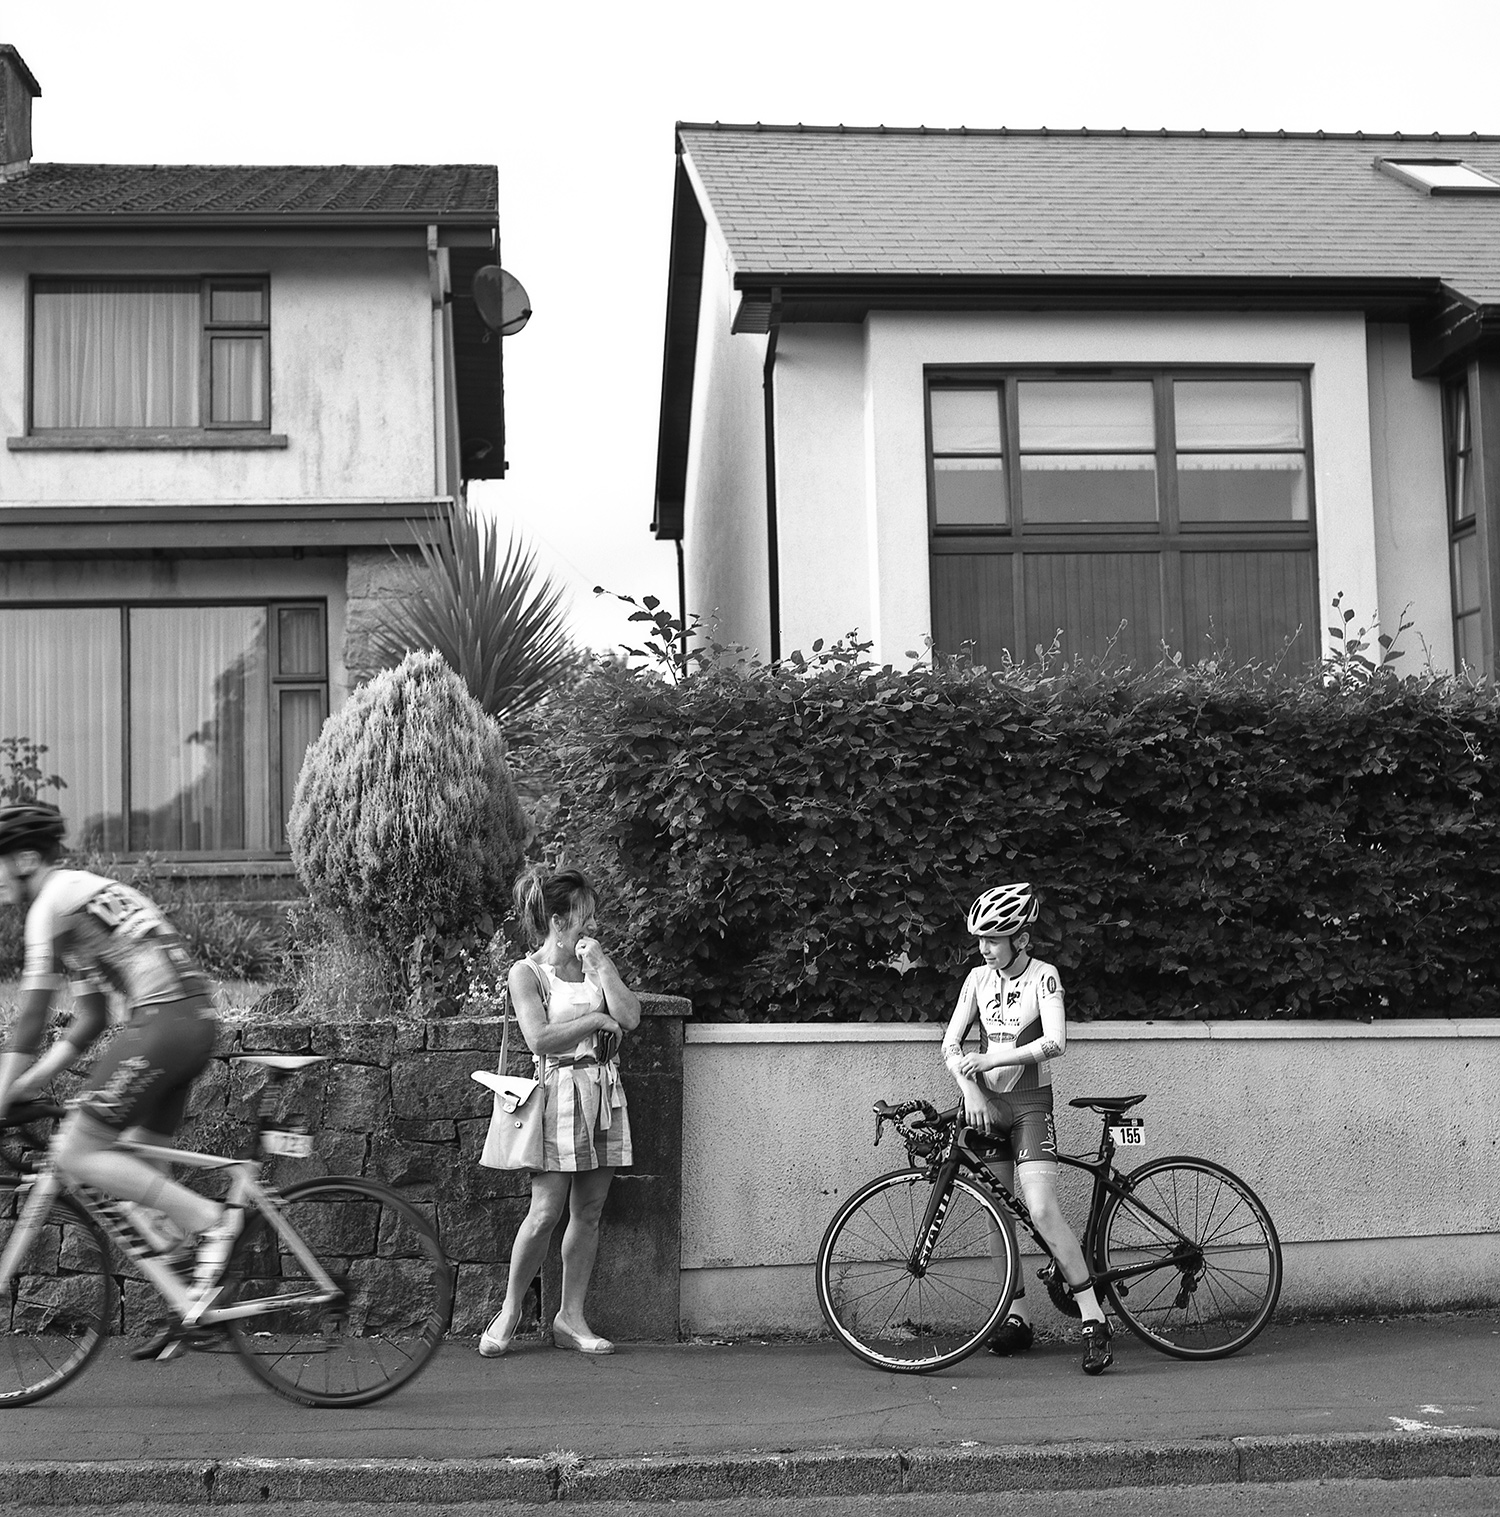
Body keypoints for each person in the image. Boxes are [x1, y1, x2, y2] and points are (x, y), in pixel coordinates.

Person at [0, 802, 241, 1337]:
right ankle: (198, 1302)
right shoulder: (79, 897)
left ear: (23, 858)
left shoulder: (48, 907)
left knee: (77, 1150)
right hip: (190, 1022)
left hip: (160, 1025)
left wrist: (2, 1093)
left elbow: (33, 1017)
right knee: (134, 1174)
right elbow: (89, 1021)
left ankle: (214, 1220)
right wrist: (27, 1085)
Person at [940, 881, 1113, 1375]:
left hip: (1031, 1104)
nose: (984, 949)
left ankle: (1093, 1317)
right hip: (985, 1106)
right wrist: (972, 1091)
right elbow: (951, 1045)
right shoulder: (975, 980)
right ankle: (1016, 1317)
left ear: (1022, 938)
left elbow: (1055, 1043)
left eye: (994, 939)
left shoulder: (1045, 977)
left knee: (1040, 1208)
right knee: (997, 1212)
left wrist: (992, 1057)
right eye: (980, 940)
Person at [478, 865, 640, 1358]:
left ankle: (570, 1318)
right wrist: (594, 1018)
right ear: (557, 921)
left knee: (588, 1212)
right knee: (545, 1212)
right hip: (557, 1094)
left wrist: (605, 969)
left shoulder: (594, 965)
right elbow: (539, 1039)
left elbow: (629, 1018)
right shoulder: (526, 973)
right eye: (582, 919)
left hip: (603, 1091)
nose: (589, 928)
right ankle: (510, 1310)